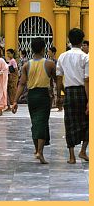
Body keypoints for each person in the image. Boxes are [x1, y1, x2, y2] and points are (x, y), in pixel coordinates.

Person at [12, 38, 56, 164]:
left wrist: (15, 101)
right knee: (42, 122)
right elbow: (55, 80)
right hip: (43, 96)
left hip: (32, 96)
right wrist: (59, 94)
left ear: (31, 49)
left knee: (35, 122)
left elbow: (21, 84)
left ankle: (37, 149)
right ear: (43, 49)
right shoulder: (49, 64)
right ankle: (40, 152)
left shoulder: (27, 65)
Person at [56, 28, 89, 164]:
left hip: (69, 92)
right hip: (82, 92)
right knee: (87, 123)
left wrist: (59, 95)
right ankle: (82, 150)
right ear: (82, 41)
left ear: (69, 40)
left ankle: (71, 156)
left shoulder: (62, 56)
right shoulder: (85, 57)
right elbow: (87, 80)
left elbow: (58, 78)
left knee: (69, 123)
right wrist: (90, 101)